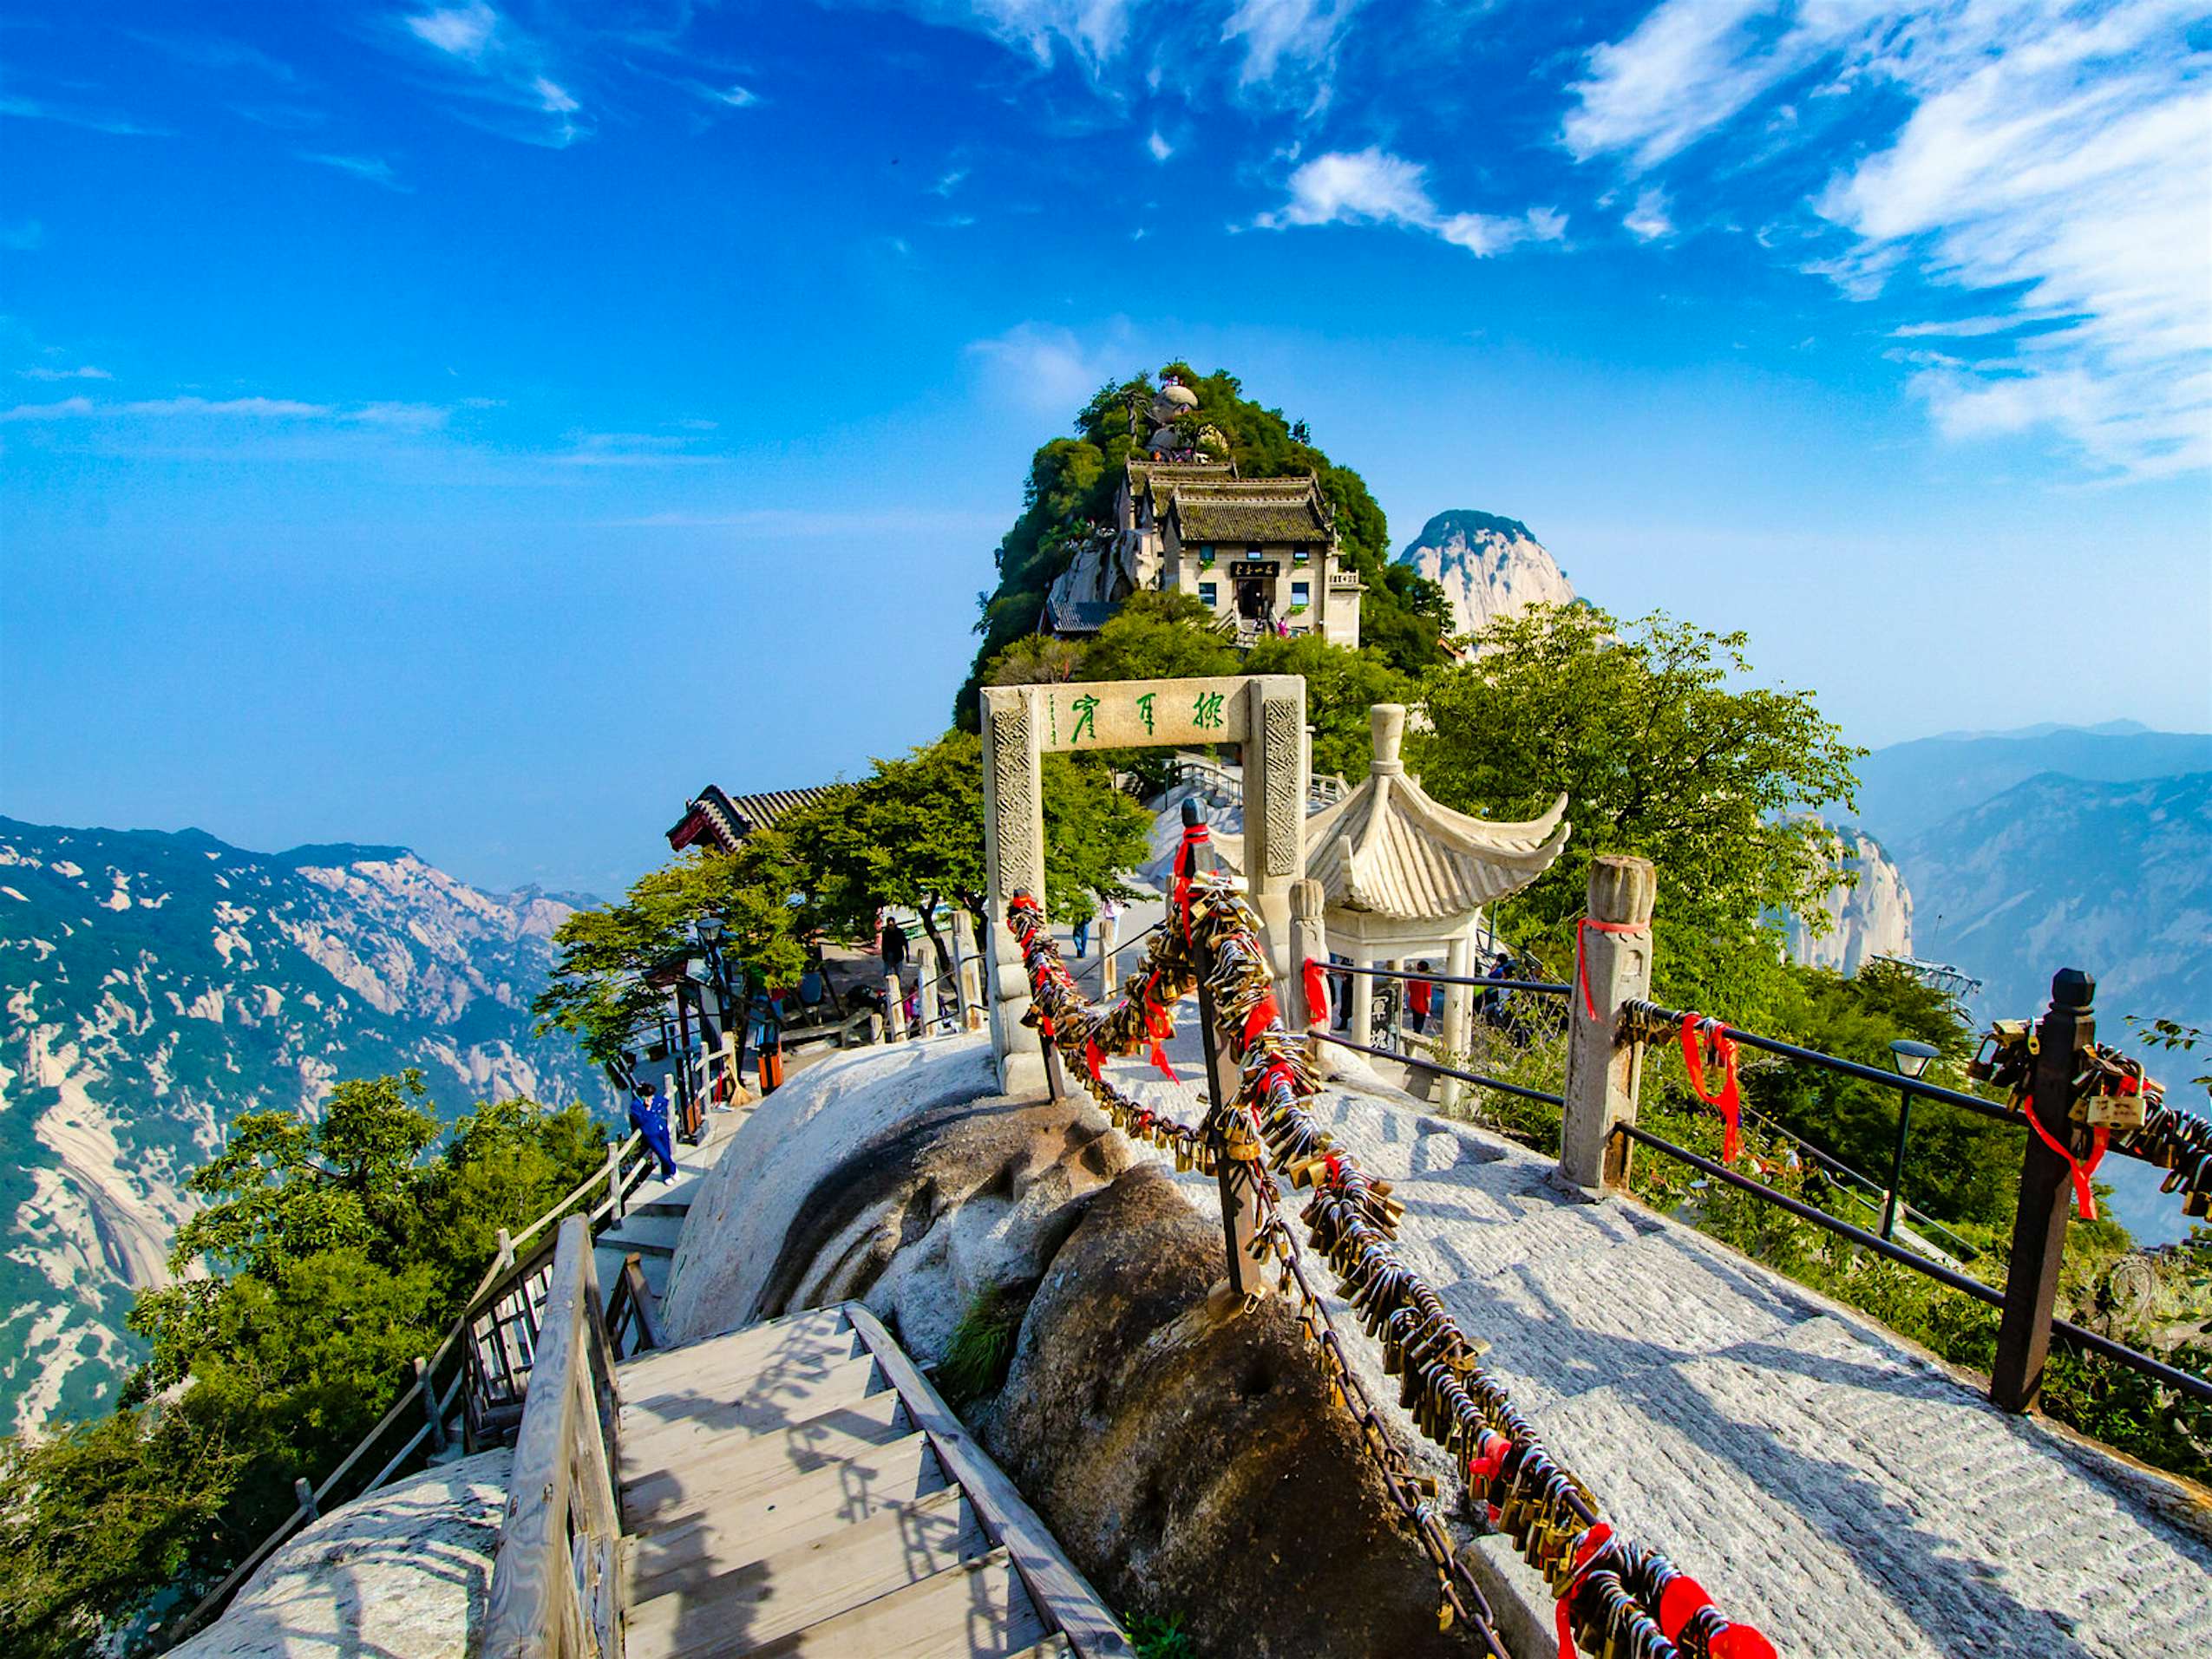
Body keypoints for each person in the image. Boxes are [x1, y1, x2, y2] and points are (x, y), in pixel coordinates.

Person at [628, 1083, 677, 1182]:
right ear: (644, 1096)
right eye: (650, 1096)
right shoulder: (636, 1106)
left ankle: (666, 1174)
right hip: (651, 1134)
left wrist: (658, 1110)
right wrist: (648, 1109)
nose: (653, 1097)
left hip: (662, 1129)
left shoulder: (654, 1099)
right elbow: (641, 1120)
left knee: (667, 1151)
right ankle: (673, 1169)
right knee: (662, 1154)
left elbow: (664, 1102)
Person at [1406, 962, 1435, 1035]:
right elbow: (1428, 998)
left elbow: (1408, 990)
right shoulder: (1426, 982)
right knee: (1420, 1025)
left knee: (1415, 1021)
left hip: (1413, 1003)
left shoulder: (1412, 979)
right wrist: (1429, 1008)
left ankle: (1415, 1033)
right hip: (1422, 1006)